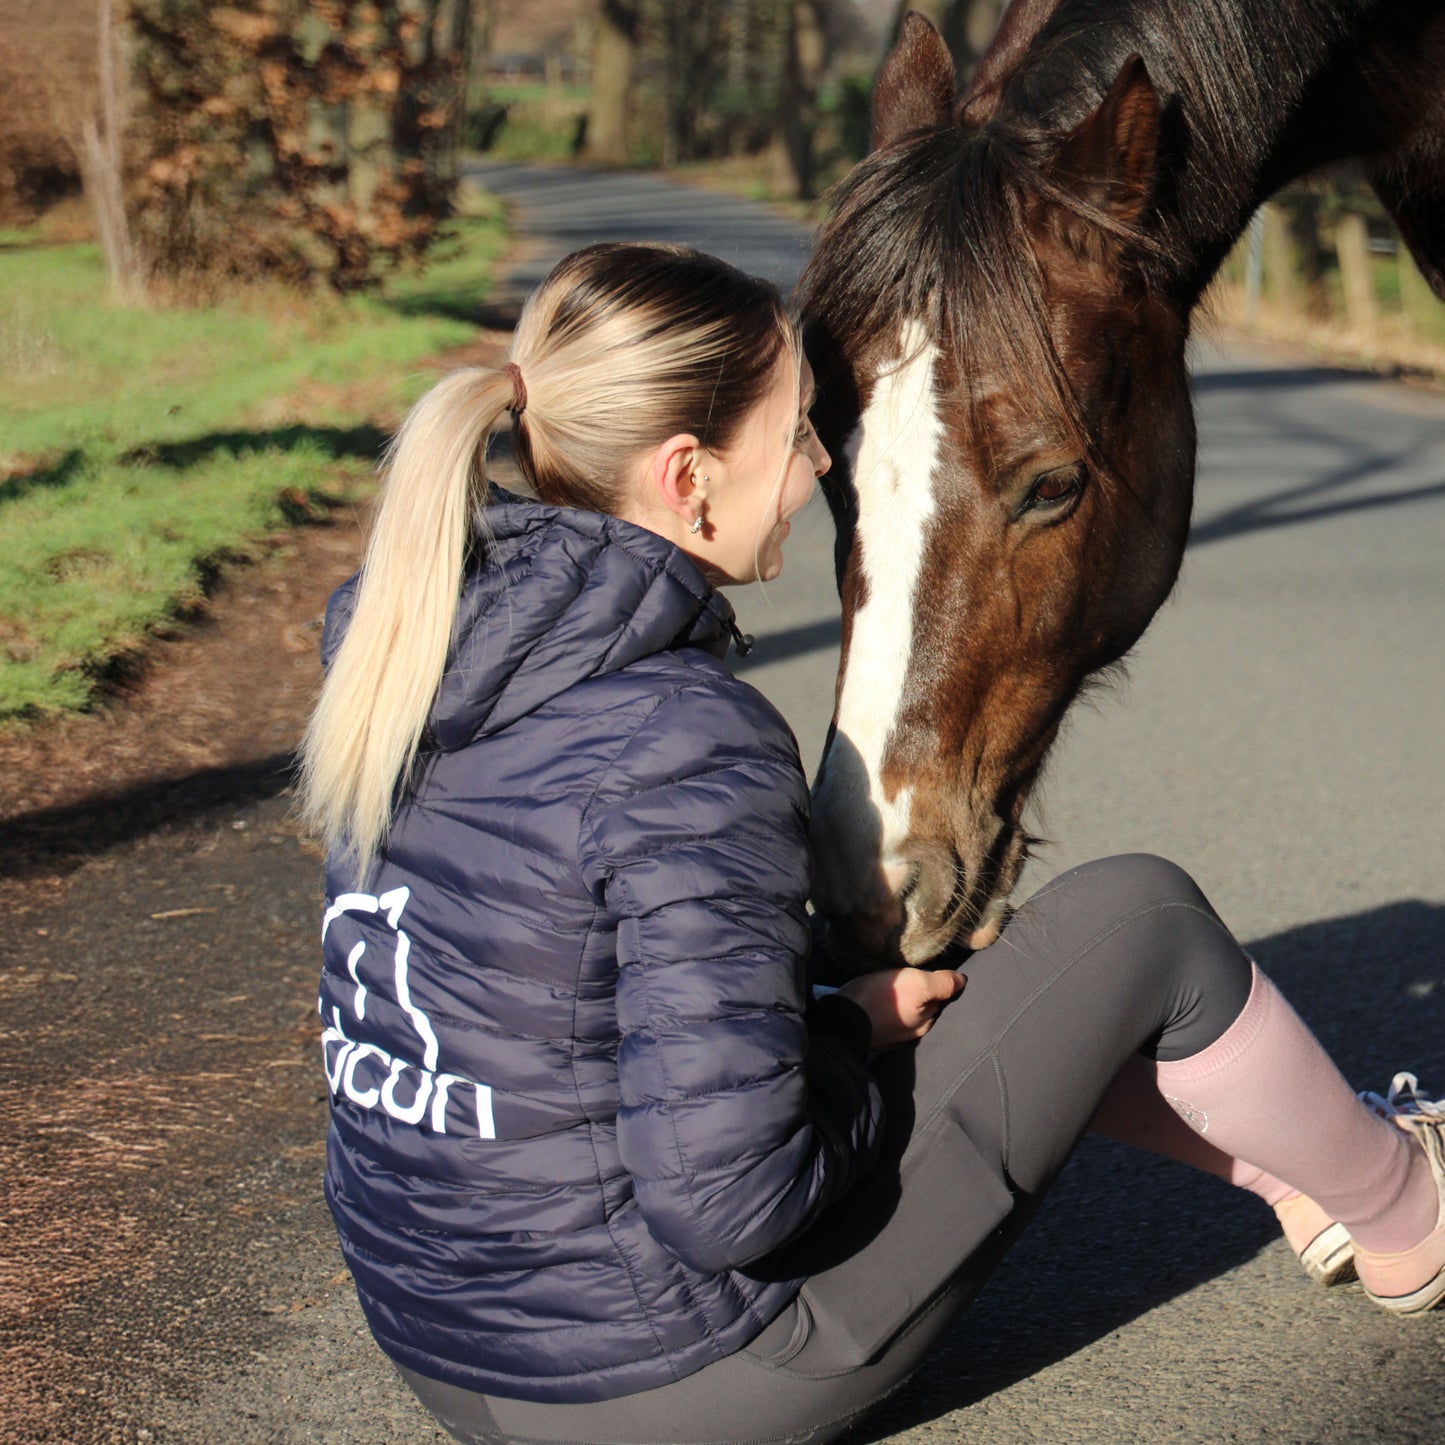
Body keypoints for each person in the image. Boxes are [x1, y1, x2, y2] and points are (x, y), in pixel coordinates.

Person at [298, 242, 1445, 1445]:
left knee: (963, 970)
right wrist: (851, 1033)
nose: (818, 462)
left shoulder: (416, 644)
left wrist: (843, 1013)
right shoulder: (682, 735)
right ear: (687, 475)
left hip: (451, 1356)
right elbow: (726, 1195)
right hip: (671, 1389)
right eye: (797, 429)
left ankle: (1293, 1169)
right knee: (1139, 921)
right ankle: (1403, 1201)